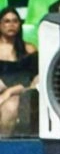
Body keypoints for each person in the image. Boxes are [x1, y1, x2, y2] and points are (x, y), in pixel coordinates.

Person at [0, 7, 38, 137]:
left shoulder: (30, 49)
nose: (11, 25)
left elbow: (35, 78)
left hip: (22, 91)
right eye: (7, 21)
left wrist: (10, 91)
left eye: (15, 21)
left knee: (11, 106)